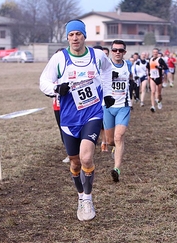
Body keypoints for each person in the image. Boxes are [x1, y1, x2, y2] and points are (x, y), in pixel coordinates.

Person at [39, 19, 115, 221]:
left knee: (87, 158)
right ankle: (80, 195)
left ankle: (88, 199)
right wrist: (56, 89)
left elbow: (108, 71)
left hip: (92, 113)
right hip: (68, 118)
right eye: (71, 35)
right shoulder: (59, 59)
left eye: (78, 34)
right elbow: (43, 82)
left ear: (84, 36)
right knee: (74, 163)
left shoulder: (97, 56)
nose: (75, 38)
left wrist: (107, 93)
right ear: (67, 38)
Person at [104, 40, 132, 182]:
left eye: (120, 50)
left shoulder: (128, 65)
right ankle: (114, 149)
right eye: (115, 50)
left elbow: (132, 80)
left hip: (123, 106)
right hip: (107, 107)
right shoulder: (106, 65)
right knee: (110, 141)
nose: (117, 53)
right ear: (111, 51)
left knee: (118, 137)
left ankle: (116, 169)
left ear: (124, 52)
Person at [147, 48, 168, 112]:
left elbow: (166, 67)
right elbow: (148, 68)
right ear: (152, 53)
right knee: (153, 92)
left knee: (159, 94)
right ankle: (153, 106)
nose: (155, 53)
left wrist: (160, 67)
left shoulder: (160, 59)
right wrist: (148, 75)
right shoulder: (150, 60)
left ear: (158, 53)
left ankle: (159, 102)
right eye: (154, 52)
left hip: (159, 78)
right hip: (152, 78)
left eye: (156, 52)